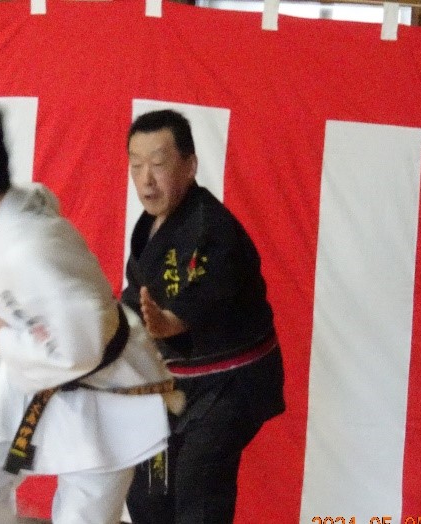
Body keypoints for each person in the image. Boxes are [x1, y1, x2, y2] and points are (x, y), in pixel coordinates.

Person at [0, 100, 176, 524]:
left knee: (84, 518)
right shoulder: (20, 205)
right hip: (31, 374)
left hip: (105, 385)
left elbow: (78, 352)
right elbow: (1, 259)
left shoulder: (29, 251)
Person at [122, 109, 286, 524]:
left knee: (199, 482)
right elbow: (135, 300)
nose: (146, 179)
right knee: (148, 492)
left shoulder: (213, 230)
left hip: (231, 382)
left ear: (190, 165)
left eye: (159, 164)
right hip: (176, 383)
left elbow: (206, 294)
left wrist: (169, 323)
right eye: (136, 166)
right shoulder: (151, 227)